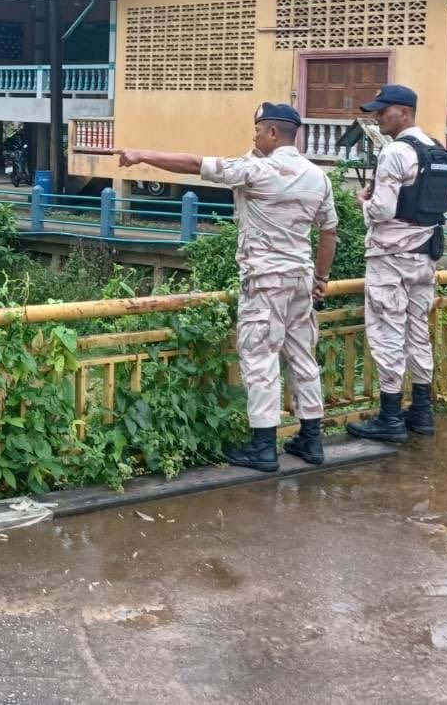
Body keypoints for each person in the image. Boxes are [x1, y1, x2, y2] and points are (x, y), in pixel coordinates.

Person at [117, 103, 338, 472]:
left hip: (265, 280)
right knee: (303, 357)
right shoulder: (319, 177)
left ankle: (264, 448)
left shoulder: (255, 170)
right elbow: (329, 232)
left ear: (270, 133)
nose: (253, 137)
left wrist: (141, 155)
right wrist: (321, 279)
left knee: (260, 358)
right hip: (301, 278)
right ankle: (311, 439)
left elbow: (194, 164)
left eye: (256, 131)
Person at [346, 84, 445, 445]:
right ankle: (421, 411)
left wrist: (363, 204)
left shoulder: (395, 153)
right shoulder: (438, 151)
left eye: (383, 110)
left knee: (388, 332)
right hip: (425, 257)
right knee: (418, 331)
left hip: (391, 259)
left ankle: (389, 417)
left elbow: (384, 209)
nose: (377, 117)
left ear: (403, 111)